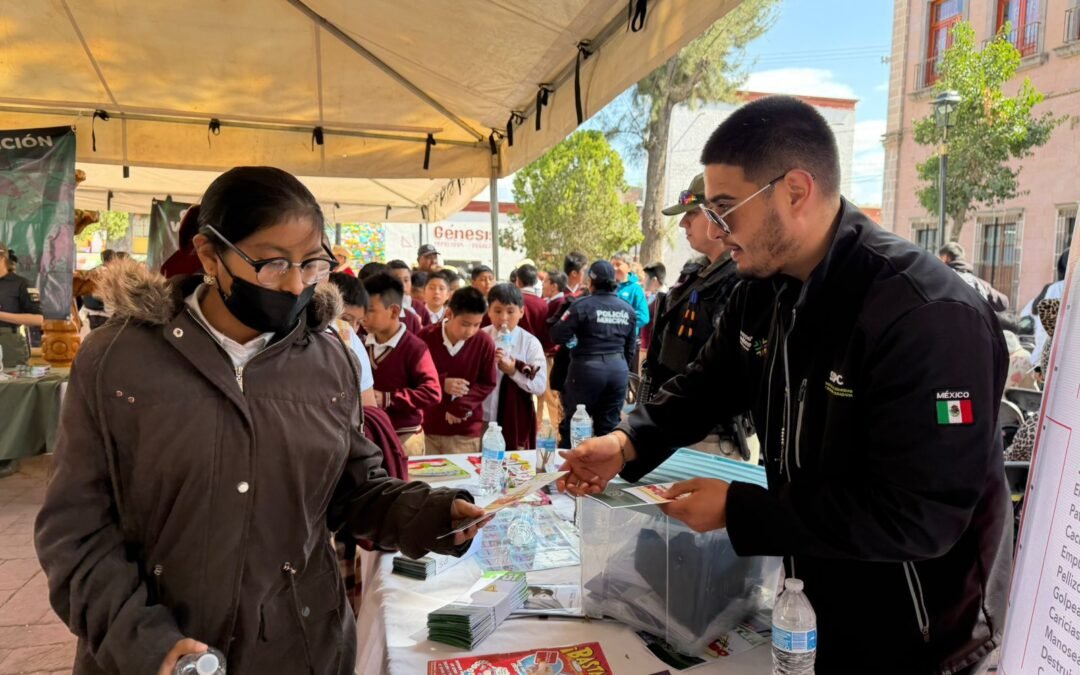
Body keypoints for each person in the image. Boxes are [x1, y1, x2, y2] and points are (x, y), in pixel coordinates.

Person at [557, 96, 1010, 675]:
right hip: (818, 601)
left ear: (795, 191)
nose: (716, 231)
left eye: (726, 210)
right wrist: (626, 443)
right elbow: (706, 385)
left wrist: (741, 510)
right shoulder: (760, 292)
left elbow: (920, 515)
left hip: (925, 632)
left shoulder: (924, 313)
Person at [33, 166, 485, 675]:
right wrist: (143, 641)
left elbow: (352, 491)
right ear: (210, 255)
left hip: (299, 649)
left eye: (311, 264)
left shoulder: (328, 360)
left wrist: (432, 515)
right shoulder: (119, 360)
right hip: (161, 654)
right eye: (272, 264)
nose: (294, 284)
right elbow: (75, 531)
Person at [640, 173, 744, 461]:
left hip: (711, 435)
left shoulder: (740, 279)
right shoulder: (695, 273)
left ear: (718, 214)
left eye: (691, 214)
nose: (683, 223)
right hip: (675, 420)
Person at [549, 260, 636, 446]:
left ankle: (571, 463)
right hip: (618, 371)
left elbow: (556, 335)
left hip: (586, 371)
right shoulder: (627, 309)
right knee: (609, 430)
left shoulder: (582, 306)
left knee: (575, 429)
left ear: (591, 282)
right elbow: (630, 349)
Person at [363, 272, 442, 457]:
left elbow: (432, 392)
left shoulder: (415, 347)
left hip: (404, 437)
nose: (363, 316)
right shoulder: (361, 342)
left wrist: (388, 398)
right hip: (371, 435)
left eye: (370, 310)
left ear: (394, 311)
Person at [420, 287, 498, 454]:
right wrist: (441, 383)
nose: (470, 331)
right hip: (429, 428)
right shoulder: (424, 338)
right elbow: (413, 378)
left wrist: (461, 406)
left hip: (465, 432)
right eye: (465, 324)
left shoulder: (484, 343)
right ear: (449, 314)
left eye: (476, 325)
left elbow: (488, 382)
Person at [481, 283, 547, 450]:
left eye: (510, 312)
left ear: (521, 312)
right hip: (482, 418)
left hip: (515, 420)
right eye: (497, 311)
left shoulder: (530, 343)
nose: (504, 318)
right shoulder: (480, 337)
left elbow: (539, 386)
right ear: (489, 311)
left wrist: (513, 371)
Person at [327, 272, 377, 407]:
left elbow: (368, 405)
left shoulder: (354, 346)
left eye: (358, 322)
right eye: (345, 319)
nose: (352, 329)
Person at [1019, 247, 1068, 369]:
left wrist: (1039, 362)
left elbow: (1045, 332)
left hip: (1056, 361)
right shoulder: (1059, 288)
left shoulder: (1057, 288)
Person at [0, 242, 42, 368]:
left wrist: (1, 315)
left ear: (2, 258)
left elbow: (38, 319)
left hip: (10, 346)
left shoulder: (21, 284)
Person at [938, 242, 1009, 312]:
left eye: (940, 258)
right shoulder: (979, 283)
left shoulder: (942, 279)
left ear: (945, 258)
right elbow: (1003, 303)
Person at [514, 264, 551, 349]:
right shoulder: (543, 304)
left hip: (515, 348)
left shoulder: (512, 301)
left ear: (518, 281)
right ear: (535, 281)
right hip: (537, 349)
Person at [388, 259, 431, 326]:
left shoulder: (419, 307)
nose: (402, 285)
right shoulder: (381, 307)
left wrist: (420, 327)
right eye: (397, 280)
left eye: (406, 280)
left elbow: (429, 330)